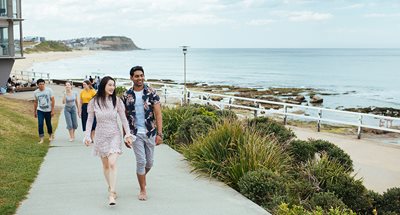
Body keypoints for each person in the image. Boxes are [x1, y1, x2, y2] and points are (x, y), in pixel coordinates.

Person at [84, 76, 135, 206]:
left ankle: (112, 193)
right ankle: (111, 187)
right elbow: (89, 120)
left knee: (112, 163)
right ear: (103, 86)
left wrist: (128, 134)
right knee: (106, 165)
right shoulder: (94, 102)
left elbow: (124, 119)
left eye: (113, 85)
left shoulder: (116, 101)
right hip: (100, 136)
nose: (112, 87)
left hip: (114, 135)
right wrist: (87, 136)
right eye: (110, 85)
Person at [122, 66, 163, 201]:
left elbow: (158, 114)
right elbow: (125, 116)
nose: (140, 78)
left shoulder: (151, 92)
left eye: (141, 75)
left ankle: (141, 178)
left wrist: (160, 134)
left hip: (150, 132)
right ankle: (143, 189)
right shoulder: (127, 95)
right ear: (131, 78)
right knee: (141, 161)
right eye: (137, 76)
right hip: (135, 133)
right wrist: (125, 135)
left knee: (149, 163)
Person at [33, 79, 55, 144]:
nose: (42, 85)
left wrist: (52, 110)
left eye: (43, 84)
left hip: (48, 110)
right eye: (40, 84)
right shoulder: (36, 92)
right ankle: (41, 138)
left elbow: (53, 100)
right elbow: (35, 102)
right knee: (40, 124)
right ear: (37, 85)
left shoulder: (49, 90)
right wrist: (34, 112)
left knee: (48, 124)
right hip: (40, 110)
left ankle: (50, 135)